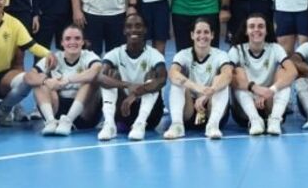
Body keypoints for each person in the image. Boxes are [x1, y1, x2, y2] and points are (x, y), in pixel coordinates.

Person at [98, 13, 168, 141]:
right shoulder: (115, 53)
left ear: (145, 29)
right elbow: (100, 77)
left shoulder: (154, 54)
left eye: (138, 26)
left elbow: (162, 79)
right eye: (129, 26)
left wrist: (135, 94)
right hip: (124, 109)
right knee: (110, 76)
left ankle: (140, 123)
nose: (133, 30)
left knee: (152, 76)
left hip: (150, 115)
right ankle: (109, 124)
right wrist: (127, 85)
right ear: (124, 30)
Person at [164, 18, 234, 140]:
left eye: (206, 32)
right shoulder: (183, 54)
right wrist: (198, 88)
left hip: (212, 108)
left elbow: (228, 75)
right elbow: (172, 73)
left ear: (212, 35)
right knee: (178, 82)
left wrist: (207, 93)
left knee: (221, 81)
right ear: (192, 35)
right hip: (190, 111)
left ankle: (213, 125)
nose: (202, 36)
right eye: (198, 32)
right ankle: (177, 125)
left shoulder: (220, 55)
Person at [26, 24, 102, 135]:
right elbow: (28, 77)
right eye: (68, 39)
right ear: (61, 42)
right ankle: (50, 121)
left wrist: (67, 80)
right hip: (58, 110)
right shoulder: (54, 58)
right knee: (39, 81)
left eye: (77, 38)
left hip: (84, 115)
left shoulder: (89, 56)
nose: (72, 42)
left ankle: (68, 121)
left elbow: (95, 71)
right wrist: (45, 81)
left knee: (91, 81)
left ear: (83, 42)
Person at [228, 13, 296, 135]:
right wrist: (254, 88)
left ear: (267, 31)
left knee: (283, 72)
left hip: (269, 101)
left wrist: (271, 90)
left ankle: (275, 120)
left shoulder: (275, 48)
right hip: (245, 110)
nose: (256, 30)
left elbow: (293, 72)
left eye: (260, 26)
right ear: (246, 31)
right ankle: (254, 120)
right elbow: (227, 76)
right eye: (252, 26)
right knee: (237, 72)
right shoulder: (237, 50)